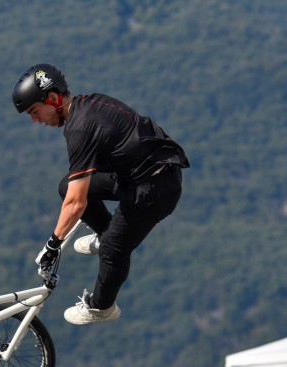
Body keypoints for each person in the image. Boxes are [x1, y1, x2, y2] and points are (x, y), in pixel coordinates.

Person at [12, 64, 189, 325]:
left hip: (155, 189)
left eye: (34, 112)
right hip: (137, 174)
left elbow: (76, 203)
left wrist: (52, 245)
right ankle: (106, 231)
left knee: (113, 249)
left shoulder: (79, 129)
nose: (34, 120)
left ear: (52, 99)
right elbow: (74, 192)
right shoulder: (89, 103)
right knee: (67, 186)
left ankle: (101, 307)